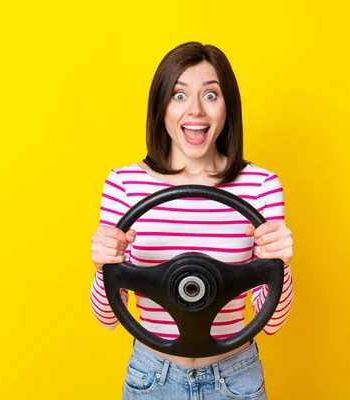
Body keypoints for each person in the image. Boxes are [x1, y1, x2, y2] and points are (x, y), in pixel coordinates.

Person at [89, 42, 294, 399]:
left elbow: (273, 323)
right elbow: (107, 317)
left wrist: (283, 264)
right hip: (151, 377)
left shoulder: (261, 185)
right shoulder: (123, 184)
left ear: (228, 106)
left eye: (210, 95)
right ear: (161, 106)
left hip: (236, 378)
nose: (195, 111)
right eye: (179, 95)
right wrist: (102, 265)